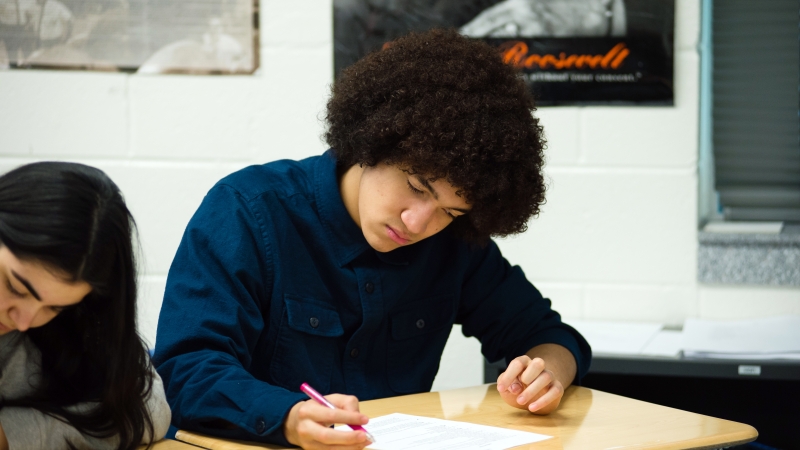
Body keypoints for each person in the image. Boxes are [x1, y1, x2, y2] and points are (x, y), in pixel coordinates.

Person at [154, 28, 591, 449]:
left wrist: (547, 373)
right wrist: (289, 418)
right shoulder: (248, 211)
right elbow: (187, 370)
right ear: (372, 142)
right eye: (418, 187)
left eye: (450, 210)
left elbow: (550, 336)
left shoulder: (454, 244)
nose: (418, 223)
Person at [0, 162, 171, 450]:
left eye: (55, 307)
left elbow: (148, 406)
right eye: (15, 287)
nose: (25, 321)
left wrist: (10, 433)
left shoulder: (63, 331)